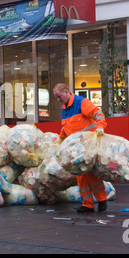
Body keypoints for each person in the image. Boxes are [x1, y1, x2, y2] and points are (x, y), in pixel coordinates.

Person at [53, 83, 108, 213]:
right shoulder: (64, 109)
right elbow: (65, 127)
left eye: (59, 97)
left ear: (66, 92)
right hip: (76, 148)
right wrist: (60, 140)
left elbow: (98, 114)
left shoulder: (82, 102)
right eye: (56, 98)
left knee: (91, 174)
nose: (58, 100)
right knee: (80, 175)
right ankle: (87, 204)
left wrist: (100, 127)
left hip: (88, 145)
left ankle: (101, 200)